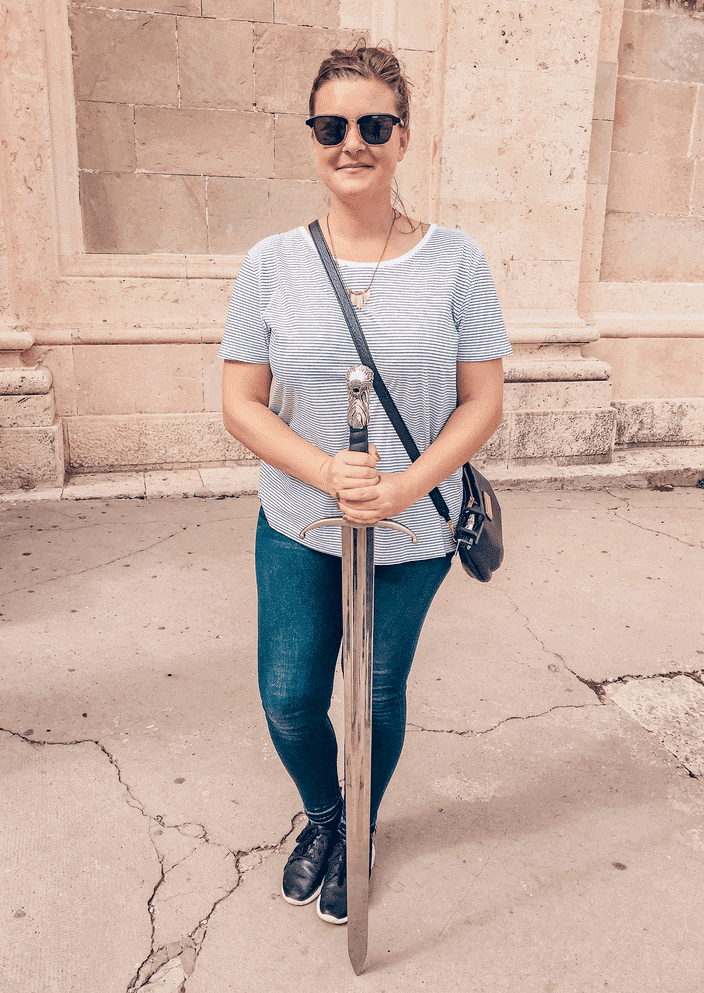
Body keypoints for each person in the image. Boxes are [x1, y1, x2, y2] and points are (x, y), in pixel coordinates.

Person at [220, 40, 511, 926]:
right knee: (290, 695)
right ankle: (329, 813)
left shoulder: (458, 261)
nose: (353, 141)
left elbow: (482, 401)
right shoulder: (270, 264)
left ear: (403, 137)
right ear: (313, 136)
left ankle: (361, 830)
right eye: (333, 125)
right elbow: (241, 402)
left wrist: (403, 483)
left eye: (374, 124)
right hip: (300, 522)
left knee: (377, 693)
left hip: (415, 525)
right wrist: (324, 470)